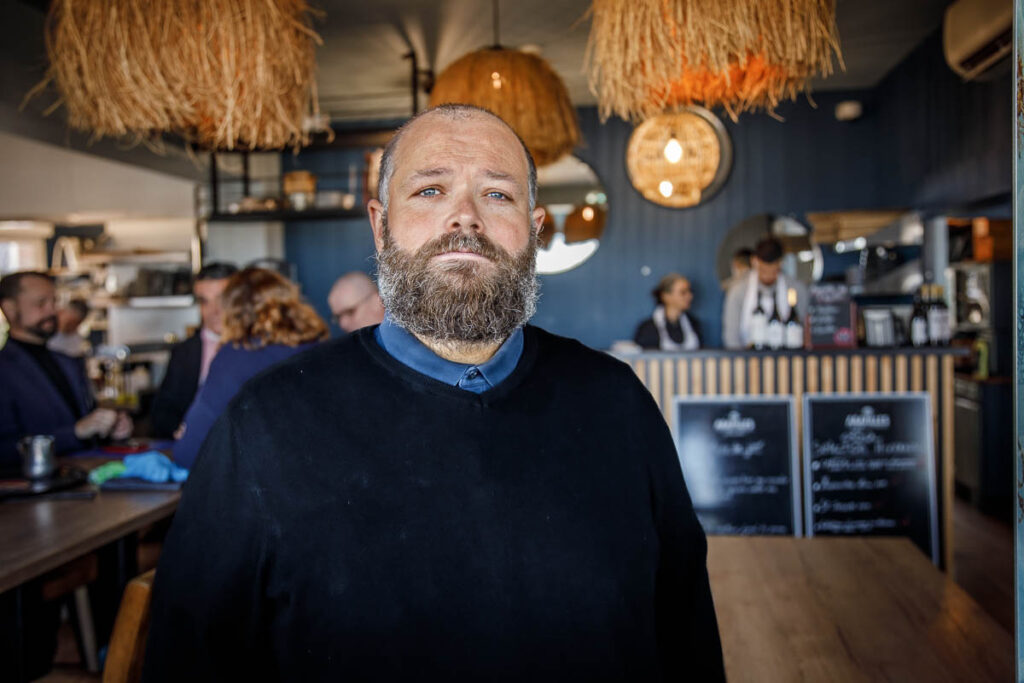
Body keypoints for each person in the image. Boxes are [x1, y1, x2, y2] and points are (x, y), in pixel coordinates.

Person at [144, 104, 724, 682]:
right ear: (379, 224)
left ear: (536, 229)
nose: (464, 218)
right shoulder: (264, 424)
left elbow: (686, 632)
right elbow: (190, 658)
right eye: (429, 191)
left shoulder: (616, 404)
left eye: (497, 195)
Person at [172, 267, 328, 469]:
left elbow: (189, 453)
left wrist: (189, 432)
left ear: (233, 310)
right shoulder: (317, 347)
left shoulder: (236, 355)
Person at [0, 271, 131, 467]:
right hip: (32, 489)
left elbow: (87, 422)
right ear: (9, 309)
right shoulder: (5, 369)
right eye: (41, 303)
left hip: (84, 478)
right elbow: (5, 448)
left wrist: (110, 427)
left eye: (54, 302)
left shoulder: (67, 362)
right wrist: (75, 433)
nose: (52, 311)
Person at [149, 262, 237, 438]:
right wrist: (180, 430)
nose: (214, 311)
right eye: (205, 301)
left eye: (222, 300)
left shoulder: (259, 347)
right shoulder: (184, 352)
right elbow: (162, 414)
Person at [722, 236, 808, 349]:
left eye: (773, 271)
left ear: (780, 263)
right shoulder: (738, 291)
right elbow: (731, 337)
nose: (767, 276)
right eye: (763, 270)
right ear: (754, 261)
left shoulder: (796, 289)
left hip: (786, 357)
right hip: (746, 359)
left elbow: (802, 328)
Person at [633, 273, 702, 350]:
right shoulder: (648, 328)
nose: (690, 296)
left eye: (690, 291)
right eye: (683, 292)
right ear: (665, 296)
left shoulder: (693, 324)